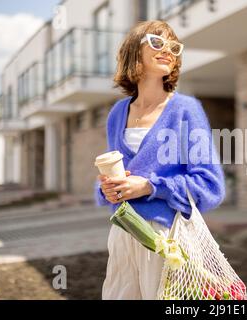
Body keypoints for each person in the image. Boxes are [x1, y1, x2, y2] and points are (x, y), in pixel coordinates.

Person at [94, 20, 226, 300]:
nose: (168, 50)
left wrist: (150, 187)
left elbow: (210, 185)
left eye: (174, 47)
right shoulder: (118, 113)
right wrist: (107, 188)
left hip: (167, 236)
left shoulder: (185, 110)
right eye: (157, 42)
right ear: (133, 51)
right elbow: (117, 177)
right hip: (124, 232)